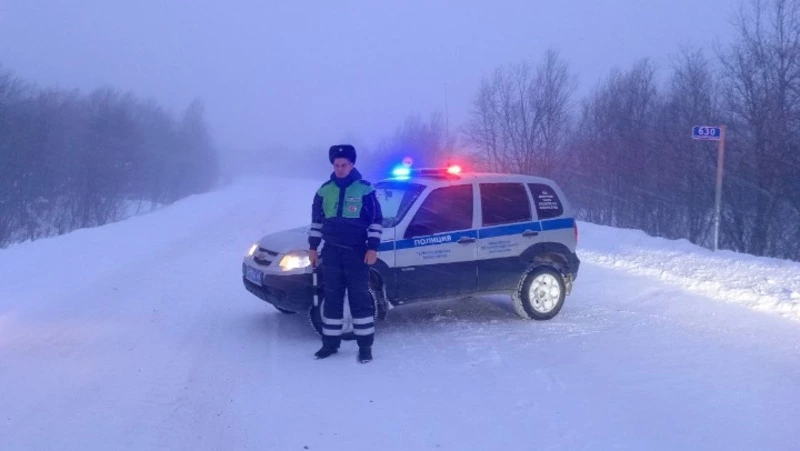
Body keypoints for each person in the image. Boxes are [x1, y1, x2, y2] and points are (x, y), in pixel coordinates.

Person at [308, 144, 383, 363]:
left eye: (344, 165)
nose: (340, 168)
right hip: (331, 252)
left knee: (360, 298)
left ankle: (365, 347)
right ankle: (330, 344)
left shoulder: (365, 189)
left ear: (352, 165)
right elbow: (316, 223)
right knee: (332, 298)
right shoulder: (324, 190)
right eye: (336, 165)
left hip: (357, 253)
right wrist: (313, 247)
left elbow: (376, 221)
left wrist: (372, 248)